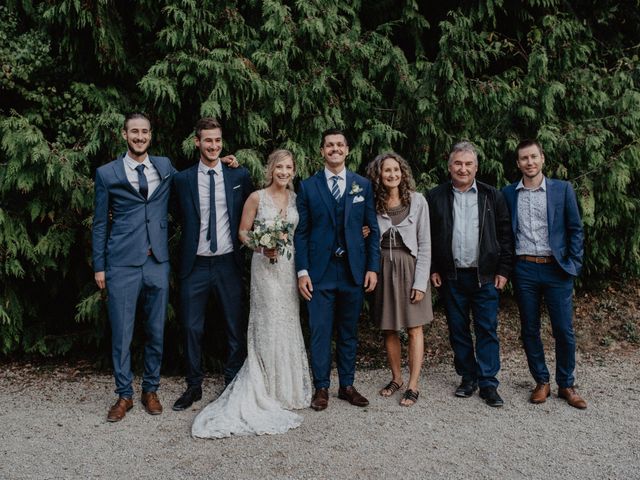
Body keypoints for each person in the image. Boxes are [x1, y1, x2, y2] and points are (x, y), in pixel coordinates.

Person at [192, 149, 312, 438]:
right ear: (270, 170)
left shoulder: (297, 199)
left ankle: (288, 388)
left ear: (294, 171)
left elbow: (303, 233)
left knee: (287, 322)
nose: (284, 172)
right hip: (265, 268)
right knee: (268, 322)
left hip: (288, 267)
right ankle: (266, 386)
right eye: (279, 167)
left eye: (289, 168)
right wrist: (260, 245)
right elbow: (243, 233)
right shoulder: (257, 197)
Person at [92, 112, 176, 422]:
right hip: (122, 263)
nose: (139, 137)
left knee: (156, 331)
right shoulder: (107, 173)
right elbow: (100, 223)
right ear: (124, 135)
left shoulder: (165, 167)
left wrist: (226, 163)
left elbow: (193, 182)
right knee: (122, 333)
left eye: (144, 132)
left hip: (157, 262)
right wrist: (99, 267)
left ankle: (150, 389)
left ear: (151, 136)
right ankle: (124, 395)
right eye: (134, 132)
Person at [295, 128, 380, 411]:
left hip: (352, 271)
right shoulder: (308, 186)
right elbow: (302, 233)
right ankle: (321, 387)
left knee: (348, 331)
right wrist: (302, 271)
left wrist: (372, 267)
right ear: (322, 151)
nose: (335, 149)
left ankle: (347, 385)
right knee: (320, 331)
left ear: (347, 150)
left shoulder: (362, 185)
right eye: (329, 145)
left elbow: (373, 229)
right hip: (319, 273)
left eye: (339, 145)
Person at [172, 117, 253, 412]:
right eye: (208, 140)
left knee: (234, 325)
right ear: (197, 142)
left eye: (217, 140)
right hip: (194, 265)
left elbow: (253, 211)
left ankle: (232, 381)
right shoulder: (182, 180)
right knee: (191, 328)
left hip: (228, 263)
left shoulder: (238, 176)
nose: (213, 146)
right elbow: (173, 216)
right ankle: (193, 385)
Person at [427, 141, 513, 407]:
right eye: (458, 163)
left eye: (468, 164)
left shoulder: (492, 195)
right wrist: (432, 268)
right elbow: (427, 236)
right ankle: (468, 377)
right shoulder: (435, 196)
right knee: (458, 329)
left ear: (476, 167)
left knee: (487, 329)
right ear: (449, 166)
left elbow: (505, 235)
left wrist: (504, 269)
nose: (462, 169)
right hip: (451, 275)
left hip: (484, 275)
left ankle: (488, 383)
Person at [502, 139, 586, 409]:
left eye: (533, 157)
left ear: (542, 159)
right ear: (518, 163)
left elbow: (575, 228)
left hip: (557, 268)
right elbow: (505, 233)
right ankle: (541, 381)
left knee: (563, 329)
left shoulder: (562, 190)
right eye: (524, 158)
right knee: (529, 329)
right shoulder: (508, 193)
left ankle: (566, 384)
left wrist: (574, 263)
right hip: (524, 268)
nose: (529, 162)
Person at [366, 152, 433, 407]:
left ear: (402, 173)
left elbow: (425, 244)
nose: (392, 174)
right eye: (387, 171)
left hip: (410, 267)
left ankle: (413, 384)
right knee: (389, 327)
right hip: (383, 267)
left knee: (415, 328)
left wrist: (420, 282)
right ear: (379, 176)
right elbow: (368, 235)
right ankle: (397, 378)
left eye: (396, 170)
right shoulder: (373, 204)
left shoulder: (418, 202)